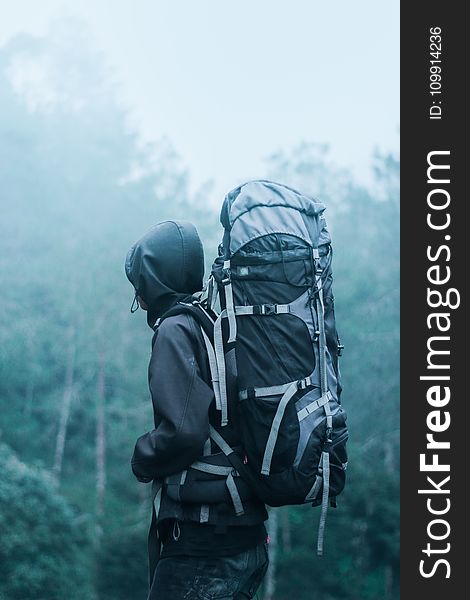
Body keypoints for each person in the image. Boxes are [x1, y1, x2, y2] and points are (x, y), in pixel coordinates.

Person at [125, 220, 269, 600]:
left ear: (153, 279)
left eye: (139, 284)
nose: (139, 299)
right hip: (244, 538)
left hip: (203, 545)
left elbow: (183, 433)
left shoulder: (174, 330)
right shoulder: (214, 323)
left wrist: (142, 457)